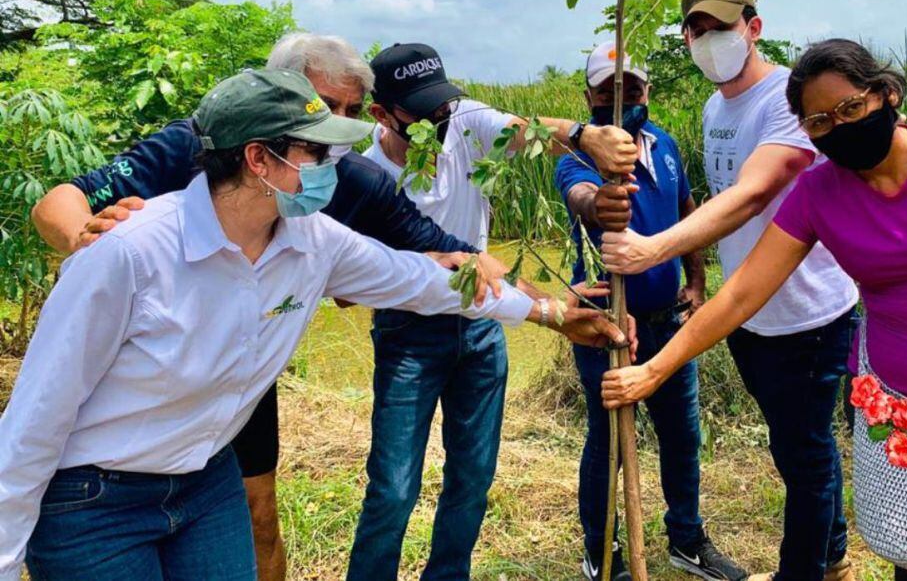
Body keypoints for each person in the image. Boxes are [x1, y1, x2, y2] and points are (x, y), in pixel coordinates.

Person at [0, 68, 627, 581]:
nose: (337, 162)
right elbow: (34, 422)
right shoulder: (129, 251)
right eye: (317, 149)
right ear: (259, 160)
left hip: (205, 478)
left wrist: (550, 312)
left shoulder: (314, 240)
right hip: (95, 498)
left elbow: (429, 281)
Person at [601, 38, 907, 581]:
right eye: (820, 122)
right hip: (901, 413)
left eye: (851, 109)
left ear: (887, 94)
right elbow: (742, 293)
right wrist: (655, 370)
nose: (839, 127)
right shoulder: (819, 192)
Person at [596, 0, 859, 581]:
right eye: (696, 31)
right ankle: (835, 557)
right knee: (799, 445)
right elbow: (722, 214)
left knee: (805, 455)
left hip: (809, 313)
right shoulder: (718, 104)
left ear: (753, 27)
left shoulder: (789, 102)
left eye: (720, 27)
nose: (708, 40)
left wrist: (651, 249)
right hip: (749, 313)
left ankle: (807, 571)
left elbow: (751, 193)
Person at [346, 42, 639, 581]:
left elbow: (526, 130)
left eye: (443, 107)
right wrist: (545, 306)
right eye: (420, 114)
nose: (438, 122)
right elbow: (351, 288)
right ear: (381, 114)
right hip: (408, 335)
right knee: (392, 486)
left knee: (473, 476)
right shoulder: (359, 172)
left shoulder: (463, 123)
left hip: (481, 332)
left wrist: (584, 136)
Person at [554, 42, 742, 581]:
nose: (620, 97)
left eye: (630, 86)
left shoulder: (664, 145)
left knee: (682, 435)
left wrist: (699, 280)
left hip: (668, 323)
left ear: (647, 91)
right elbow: (582, 196)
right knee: (609, 441)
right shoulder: (578, 156)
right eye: (607, 88)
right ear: (587, 95)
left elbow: (688, 211)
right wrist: (600, 203)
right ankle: (602, 552)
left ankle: (687, 539)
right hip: (605, 328)